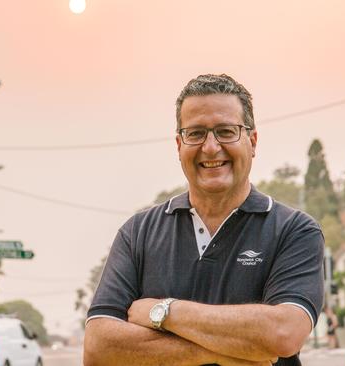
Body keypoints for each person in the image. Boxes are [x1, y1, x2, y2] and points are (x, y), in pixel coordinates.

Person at [84, 74, 325, 366]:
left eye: (226, 131)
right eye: (196, 133)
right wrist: (218, 352)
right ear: (178, 145)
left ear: (252, 141)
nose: (210, 147)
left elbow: (283, 333)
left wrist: (162, 311)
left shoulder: (294, 230)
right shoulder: (138, 232)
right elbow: (99, 348)